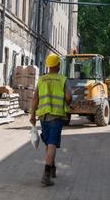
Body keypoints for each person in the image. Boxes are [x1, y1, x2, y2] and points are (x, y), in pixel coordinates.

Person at [30, 53, 72, 187]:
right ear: (58, 66)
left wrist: (32, 116)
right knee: (52, 144)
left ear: (48, 66)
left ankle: (52, 167)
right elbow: (68, 97)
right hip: (57, 115)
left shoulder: (41, 80)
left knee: (48, 143)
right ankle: (46, 175)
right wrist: (69, 101)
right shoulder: (63, 80)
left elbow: (35, 98)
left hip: (43, 116)